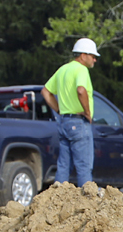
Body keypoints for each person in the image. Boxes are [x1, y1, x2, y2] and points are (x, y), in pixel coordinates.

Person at [41, 38, 98, 187]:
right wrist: (87, 112)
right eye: (93, 56)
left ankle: (56, 202)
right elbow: (81, 90)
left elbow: (45, 91)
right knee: (84, 166)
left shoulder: (63, 69)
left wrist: (59, 110)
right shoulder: (81, 70)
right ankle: (87, 204)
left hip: (64, 122)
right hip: (79, 122)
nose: (95, 60)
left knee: (63, 166)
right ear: (83, 55)